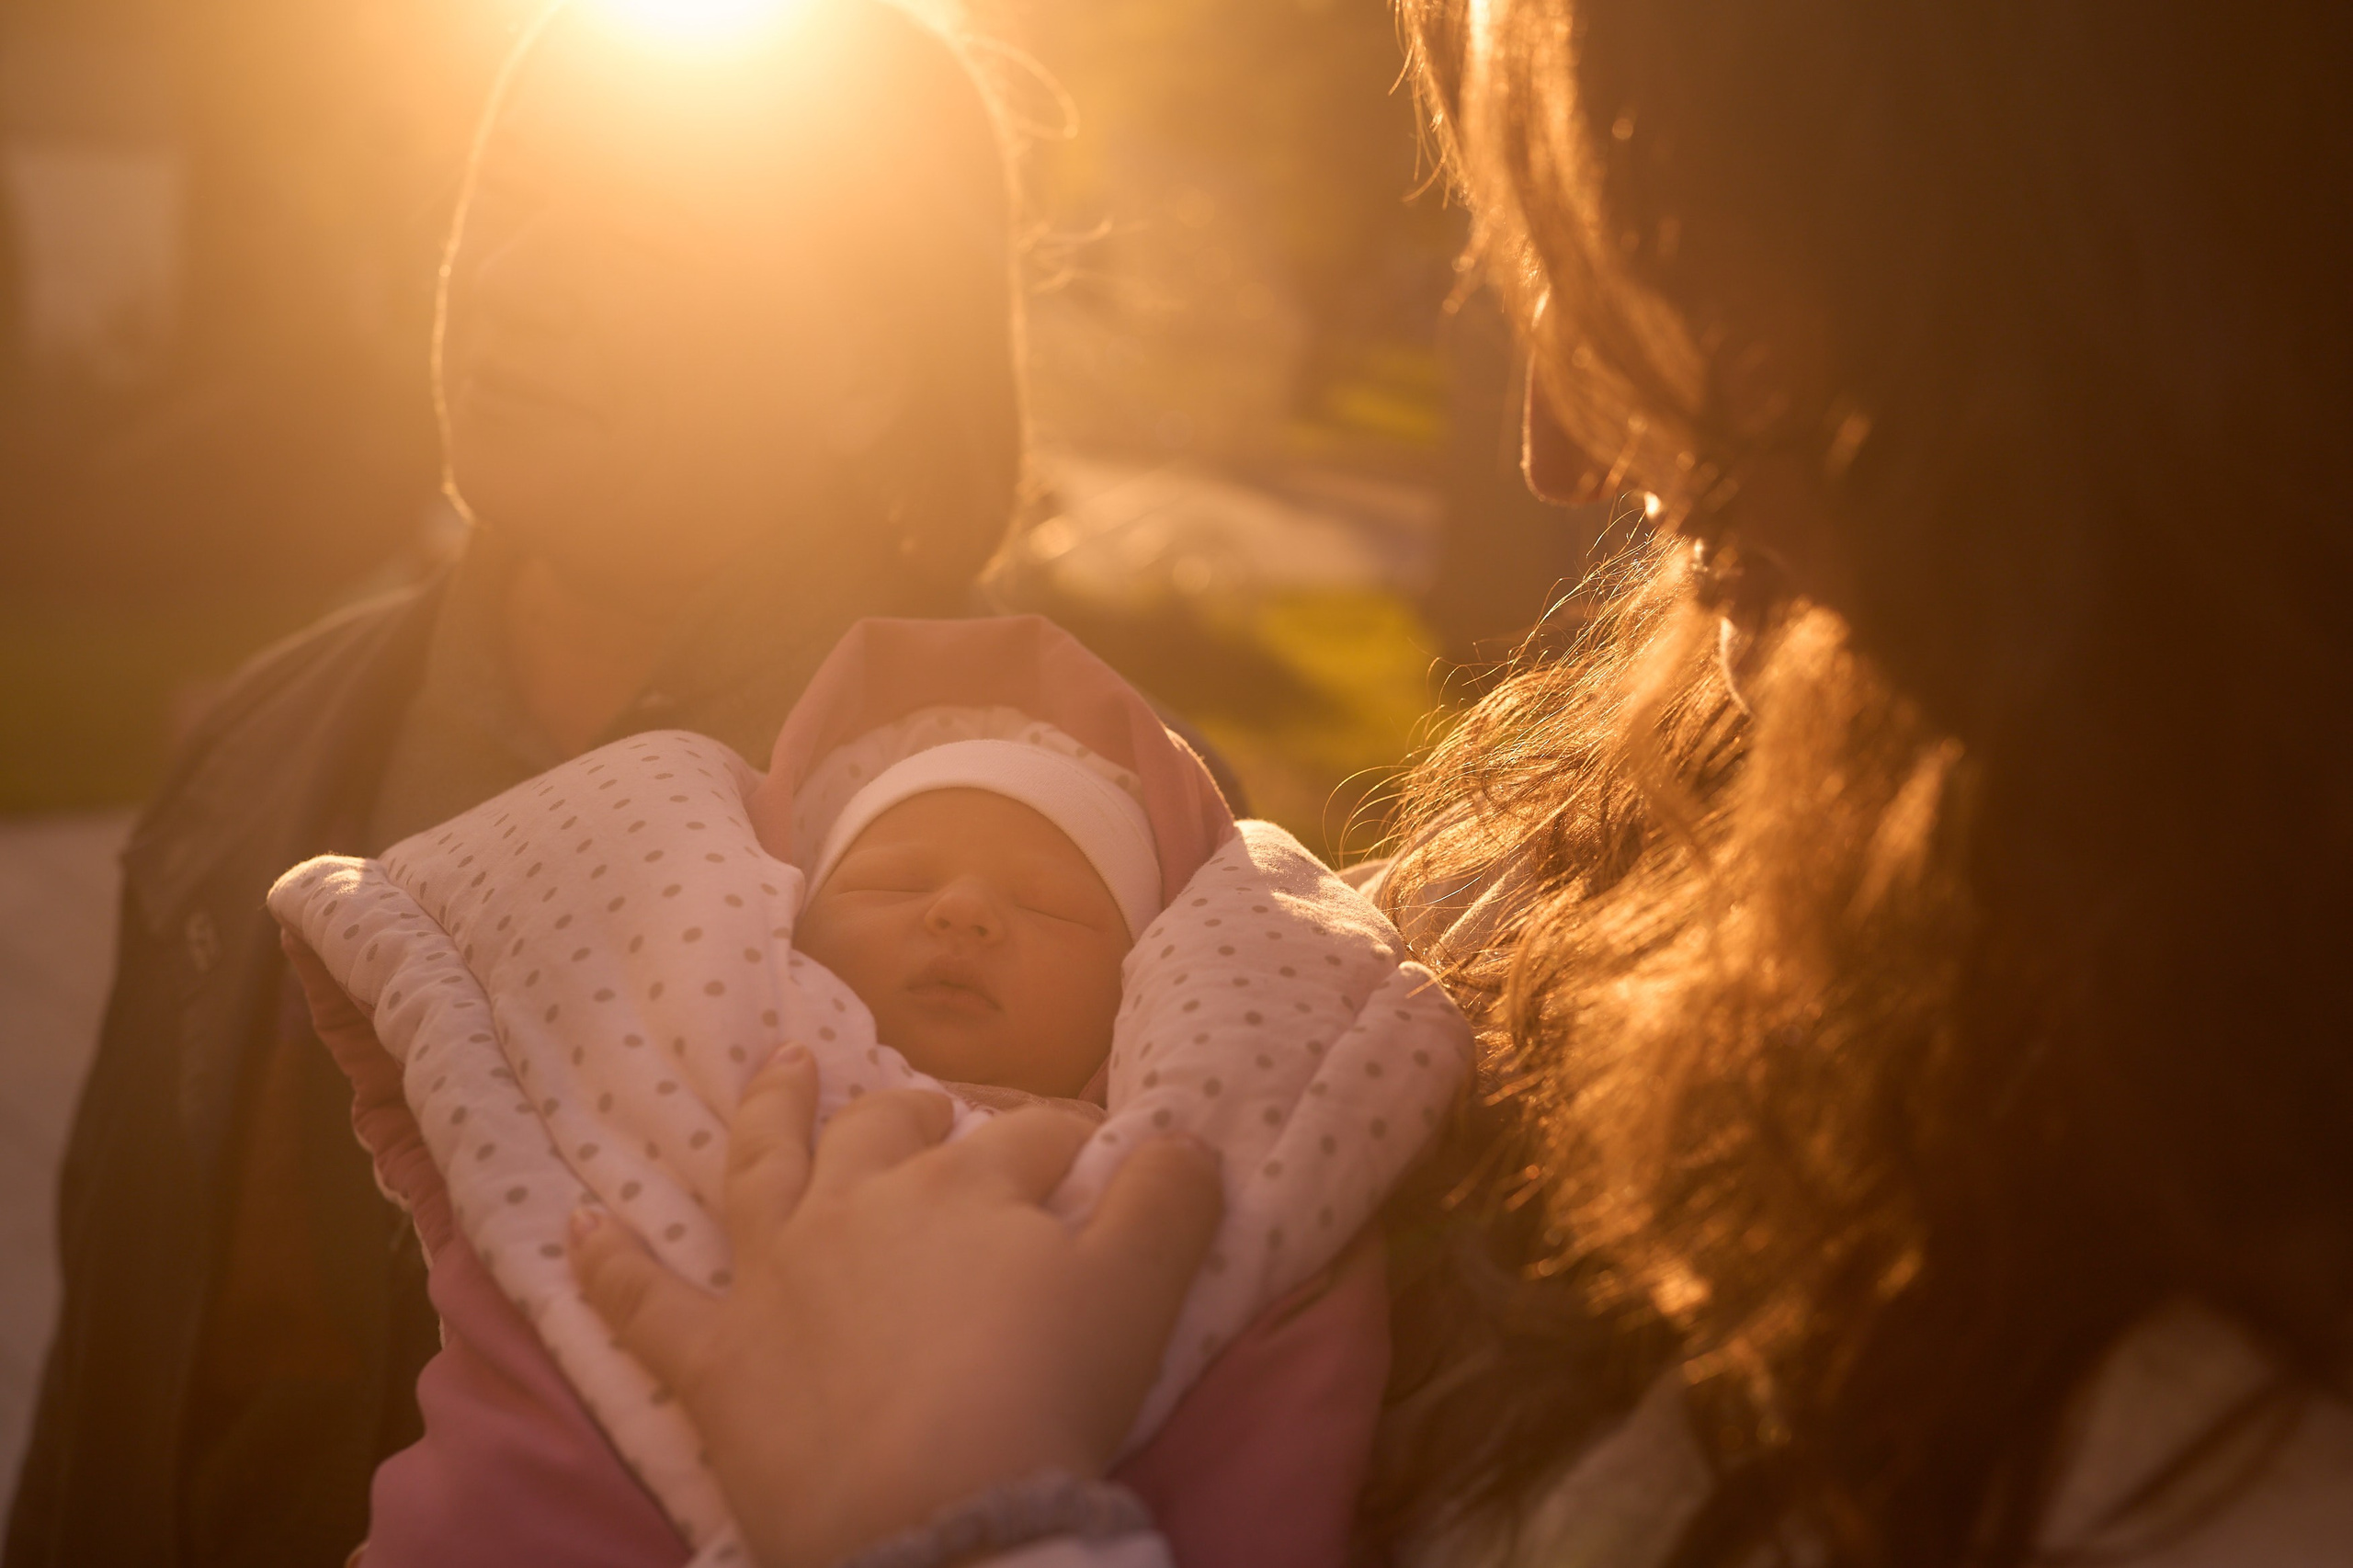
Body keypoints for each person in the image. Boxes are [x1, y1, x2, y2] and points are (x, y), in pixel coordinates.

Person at [561, 2, 2353, 1566]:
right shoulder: (1605, 865)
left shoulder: (2249, 1413)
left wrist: (938, 1508)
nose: (1556, 452)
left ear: (2084, 262)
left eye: (1659, 243)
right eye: (1541, 275)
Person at [5, 2, 1094, 1562]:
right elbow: (110, 1389)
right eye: (502, 193)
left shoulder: (1075, 841)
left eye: (641, 233)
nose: (512, 283)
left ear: (872, 361)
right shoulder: (268, 746)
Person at [268, 613, 1461, 1568]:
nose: (961, 909)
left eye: (1046, 904)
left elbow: (1265, 1444)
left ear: (1136, 990)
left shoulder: (1186, 1168)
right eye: (894, 879)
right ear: (787, 924)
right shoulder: (686, 1060)